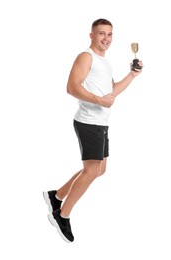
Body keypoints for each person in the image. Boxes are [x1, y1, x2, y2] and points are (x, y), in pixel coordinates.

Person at [43, 18, 143, 243]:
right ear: (91, 35)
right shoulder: (86, 56)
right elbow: (72, 87)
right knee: (91, 171)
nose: (105, 38)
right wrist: (98, 100)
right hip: (89, 122)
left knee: (99, 170)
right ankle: (62, 215)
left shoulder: (103, 62)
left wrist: (132, 75)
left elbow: (112, 91)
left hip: (101, 123)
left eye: (109, 34)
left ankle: (56, 195)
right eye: (101, 34)